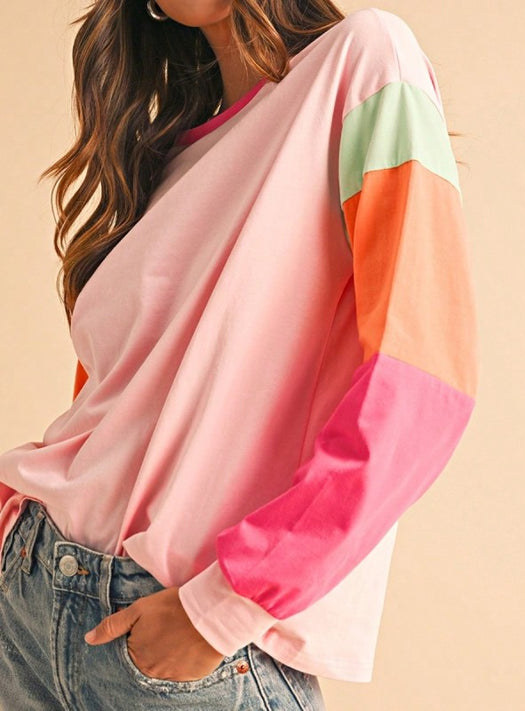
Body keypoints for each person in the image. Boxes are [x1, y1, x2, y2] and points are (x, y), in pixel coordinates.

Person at [0, 1, 479, 709]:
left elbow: (422, 381)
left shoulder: (364, 61)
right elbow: (117, 406)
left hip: (183, 635)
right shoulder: (161, 160)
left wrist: (223, 607)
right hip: (29, 599)